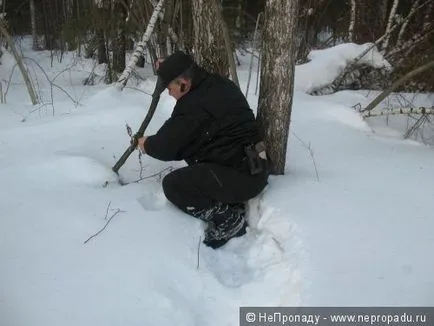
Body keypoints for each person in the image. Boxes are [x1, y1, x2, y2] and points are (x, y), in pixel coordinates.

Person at [137, 51, 268, 249]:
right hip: (251, 166)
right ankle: (231, 202)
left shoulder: (194, 105)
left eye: (169, 87)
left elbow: (166, 146)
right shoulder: (217, 84)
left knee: (174, 185)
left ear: (183, 82)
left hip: (244, 177)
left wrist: (146, 144)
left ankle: (230, 222)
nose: (169, 93)